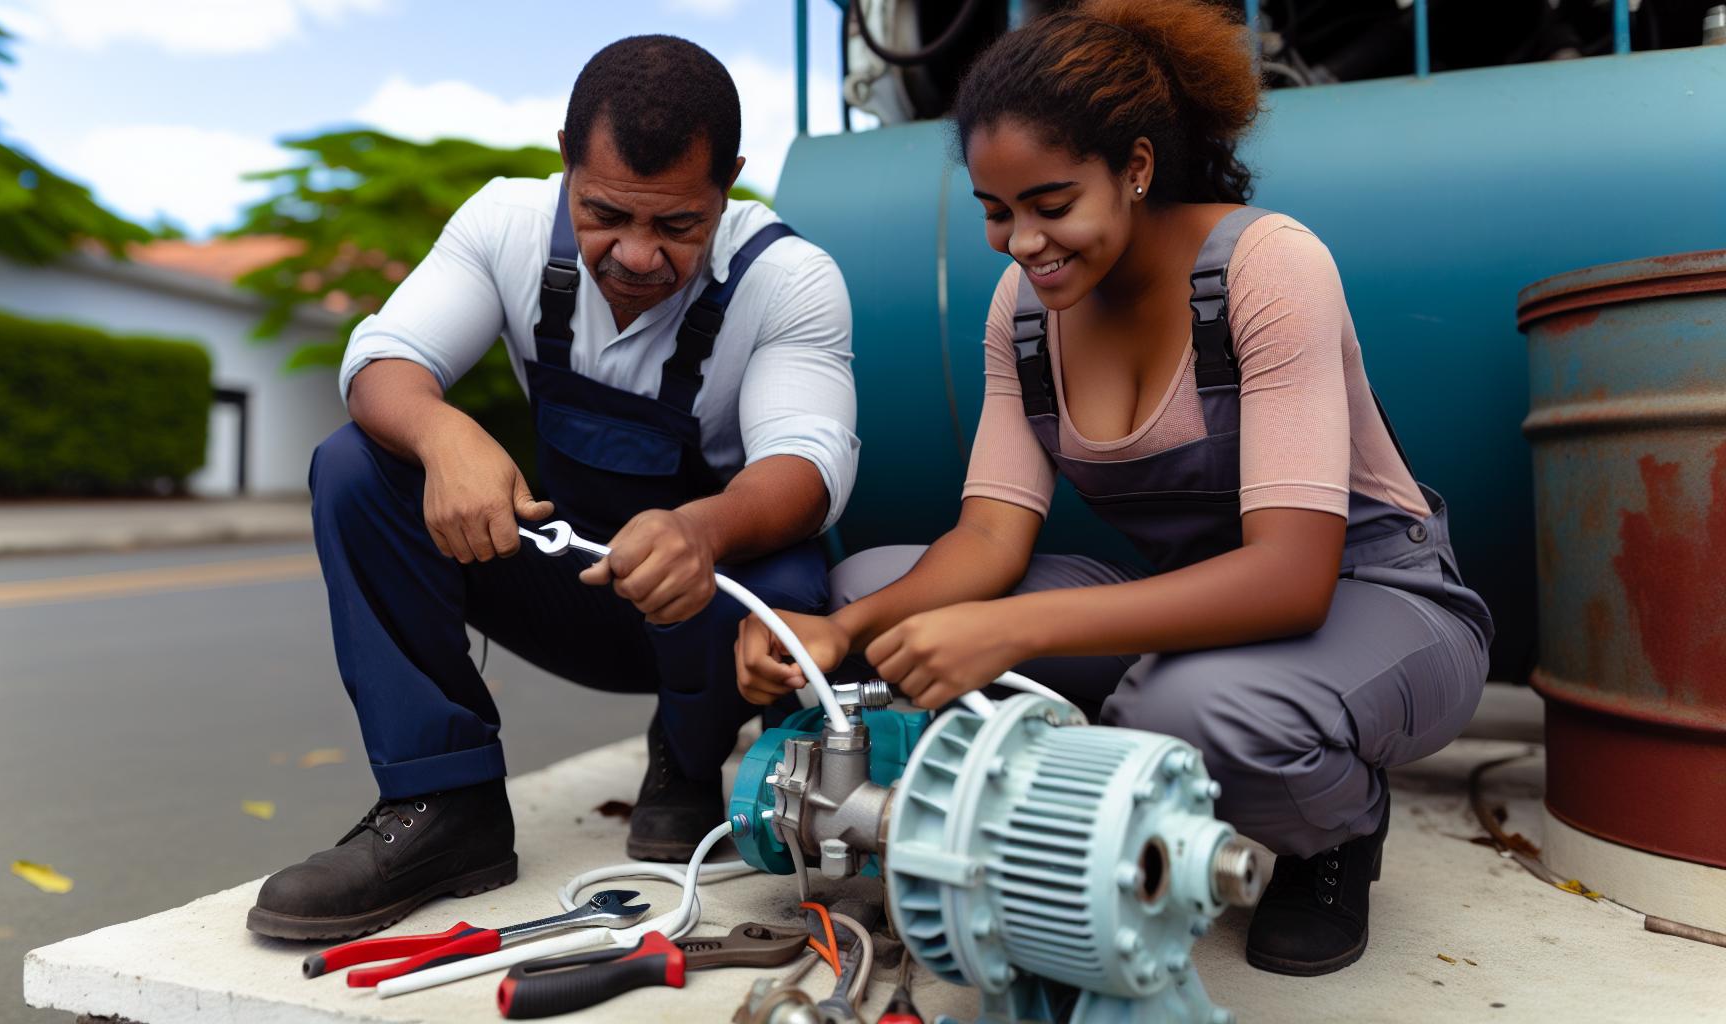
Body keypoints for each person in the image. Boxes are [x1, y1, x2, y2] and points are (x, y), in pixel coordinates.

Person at [735, 0, 1491, 978]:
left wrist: (1015, 632)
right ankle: (1086, 786)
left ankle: (1334, 830)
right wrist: (843, 630)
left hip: (1373, 602)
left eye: (1053, 205)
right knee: (871, 587)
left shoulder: (1267, 267)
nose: (1022, 243)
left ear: (1134, 169)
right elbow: (990, 538)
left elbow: (1292, 578)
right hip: (1188, 610)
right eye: (996, 213)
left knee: (1205, 707)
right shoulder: (1024, 310)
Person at [247, 35, 858, 941]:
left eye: (678, 225)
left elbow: (807, 468)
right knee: (355, 467)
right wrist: (444, 433)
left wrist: (703, 530)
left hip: (700, 607)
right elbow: (384, 357)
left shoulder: (790, 279)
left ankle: (688, 763)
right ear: (566, 158)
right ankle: (445, 804)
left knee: (791, 583)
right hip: (564, 578)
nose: (639, 255)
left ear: (728, 181)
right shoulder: (504, 224)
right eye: (606, 214)